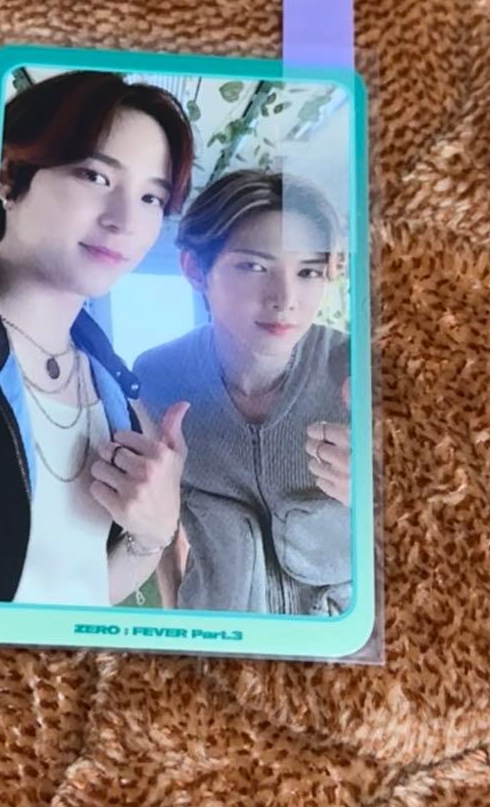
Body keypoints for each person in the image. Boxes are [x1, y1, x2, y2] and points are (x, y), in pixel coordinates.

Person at [0, 69, 194, 607]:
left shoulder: (113, 389)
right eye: (96, 176)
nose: (125, 220)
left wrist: (153, 532)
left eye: (151, 198)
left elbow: (83, 592)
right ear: (8, 175)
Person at [134, 169, 352, 616]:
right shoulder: (156, 377)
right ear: (195, 270)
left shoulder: (359, 373)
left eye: (308, 271)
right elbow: (163, 524)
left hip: (339, 643)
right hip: (217, 636)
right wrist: (177, 619)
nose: (285, 298)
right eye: (254, 267)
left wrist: (379, 498)